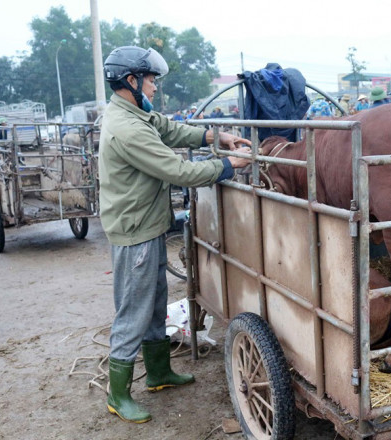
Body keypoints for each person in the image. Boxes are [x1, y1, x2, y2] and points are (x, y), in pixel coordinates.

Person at [99, 46, 251, 424]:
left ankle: (158, 373)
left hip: (146, 224)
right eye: (150, 80)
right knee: (134, 311)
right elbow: (179, 172)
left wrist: (217, 136)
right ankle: (118, 395)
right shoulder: (128, 128)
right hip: (134, 231)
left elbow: (169, 129)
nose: (154, 87)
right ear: (131, 81)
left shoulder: (136, 113)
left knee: (154, 303)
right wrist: (228, 166)